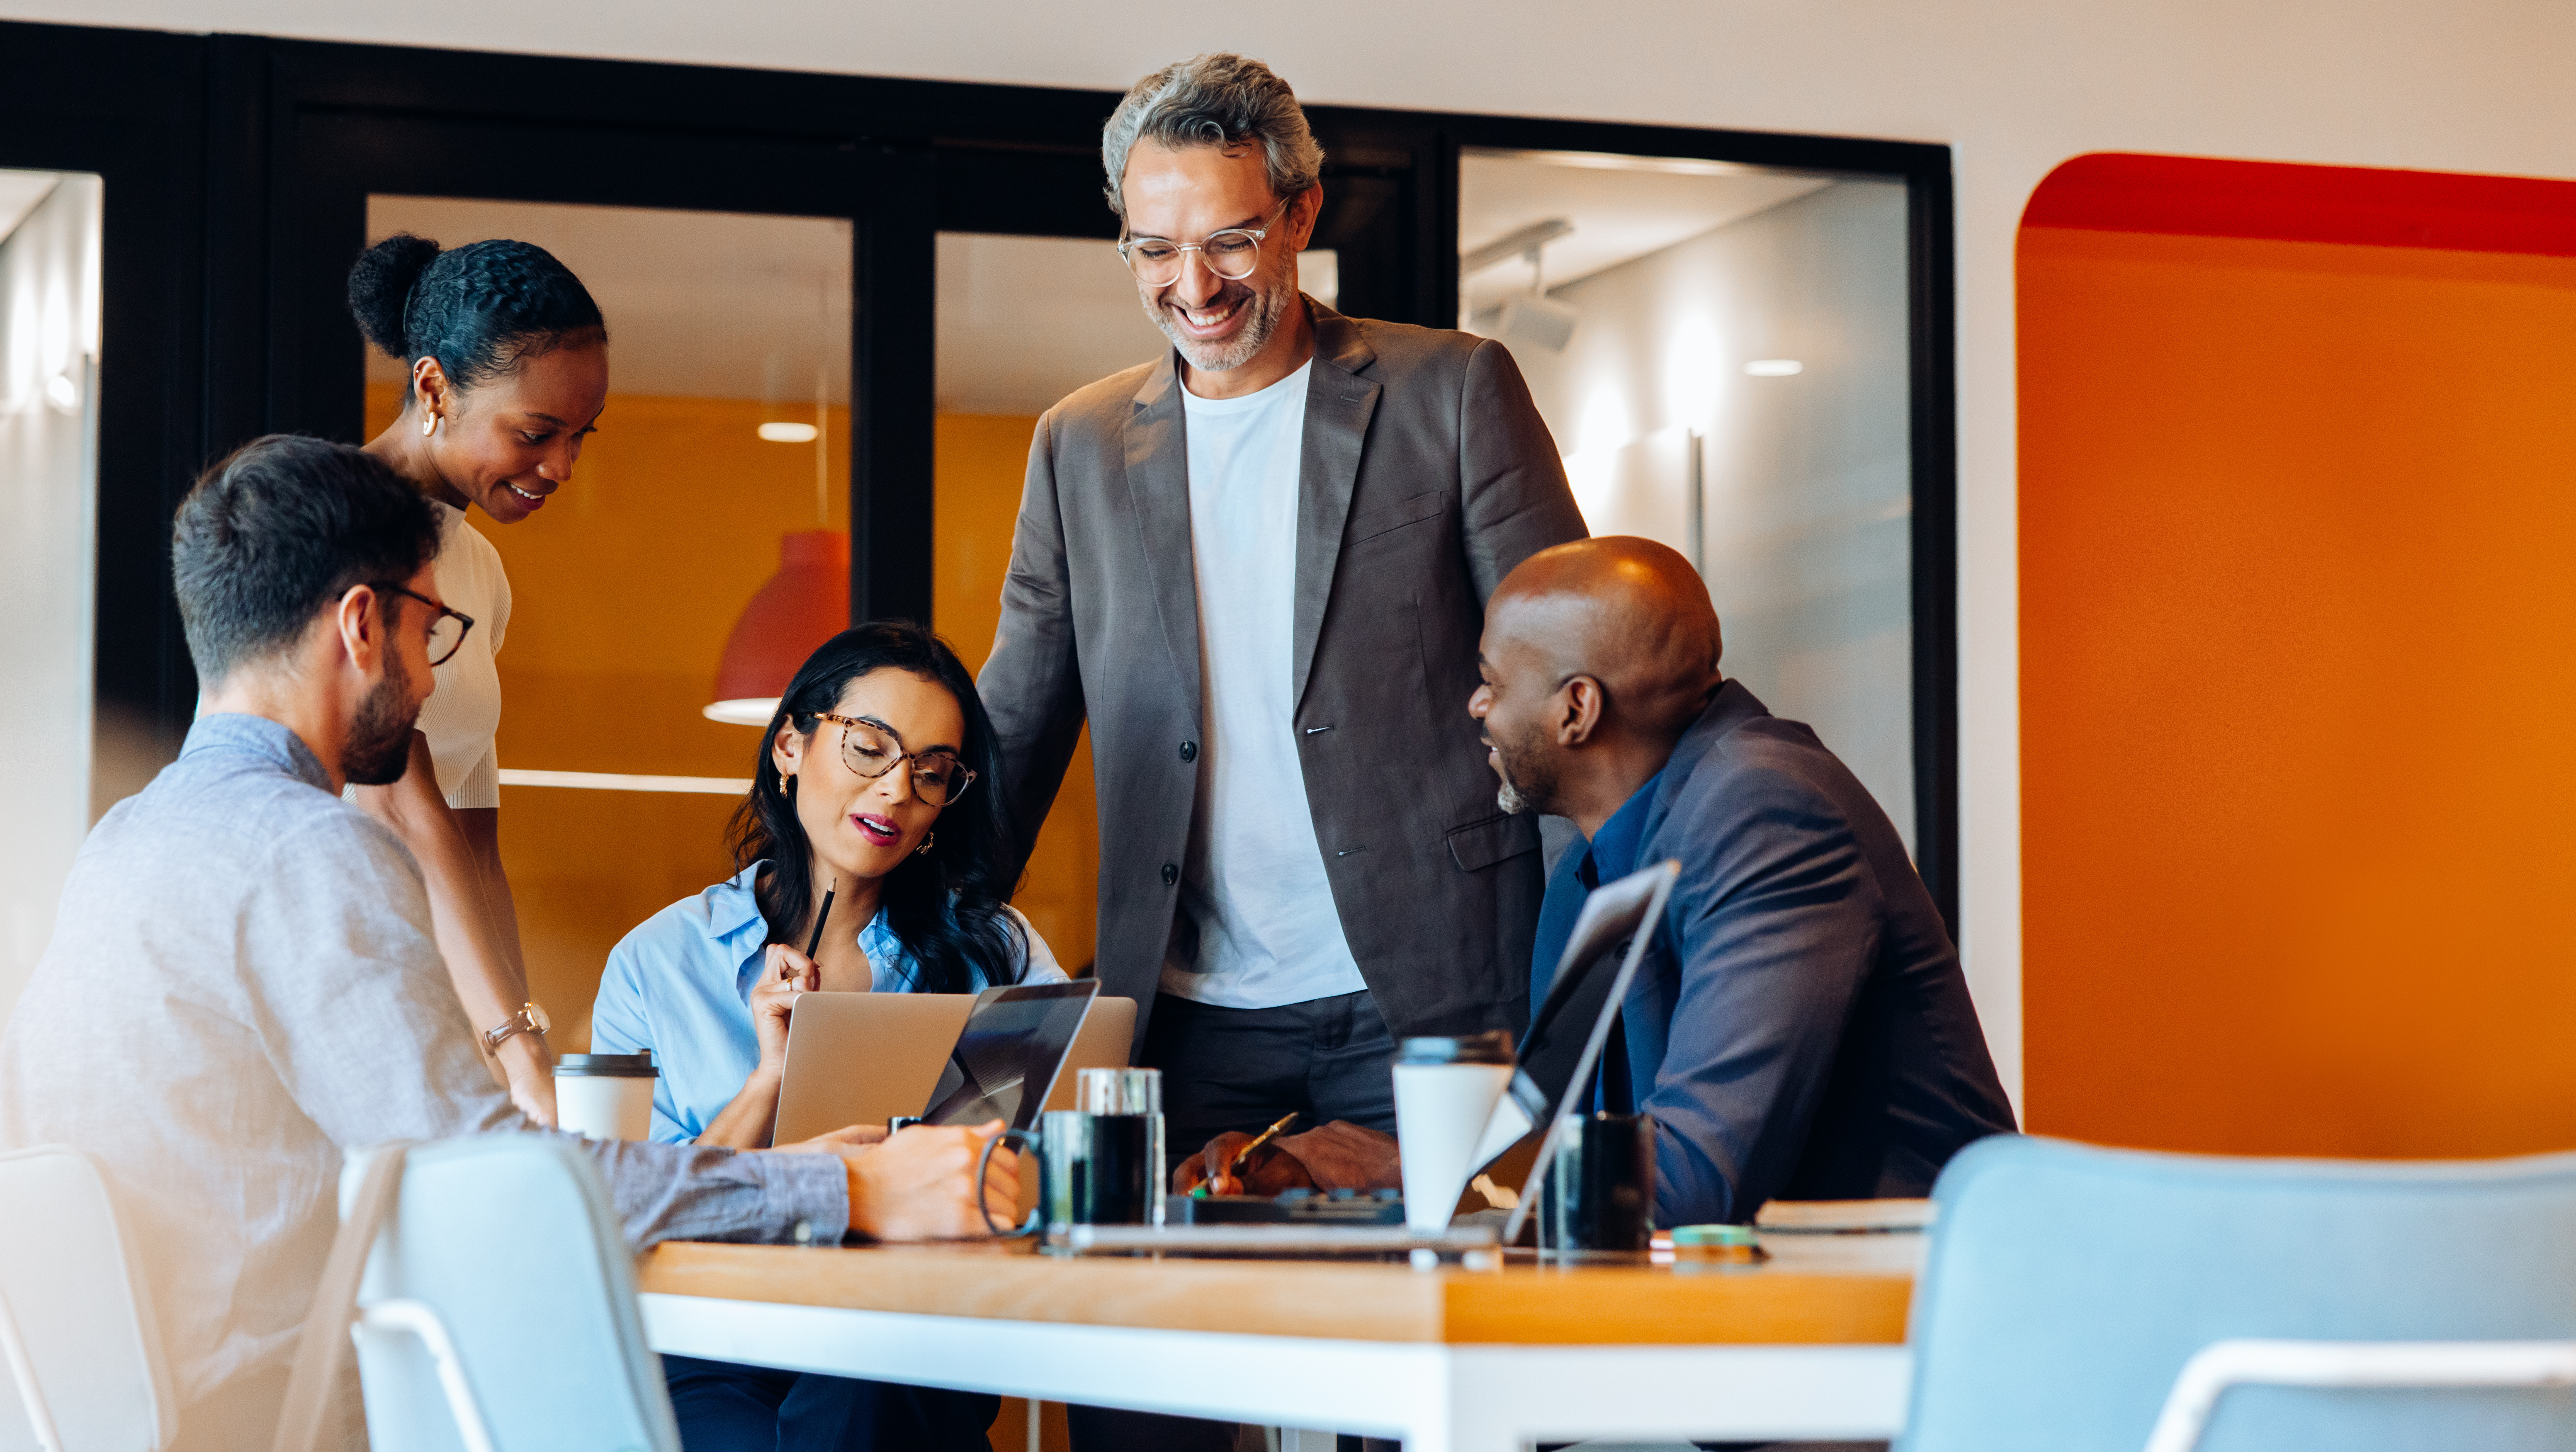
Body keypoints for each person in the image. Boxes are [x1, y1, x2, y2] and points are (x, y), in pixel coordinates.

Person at [0, 435, 1018, 1452]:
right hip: (292, 1415)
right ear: (362, 624)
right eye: (431, 631)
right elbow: (495, 1189)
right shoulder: (309, 849)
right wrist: (846, 1185)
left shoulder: (119, 844)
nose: (435, 684)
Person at [979, 53, 1587, 1168]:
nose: (1194, 287)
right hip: (1187, 1008)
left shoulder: (1450, 393)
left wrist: (1584, 978)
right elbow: (1012, 727)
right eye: (1154, 249)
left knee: (1443, 1306)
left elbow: (1569, 693)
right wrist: (900, 923)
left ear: (1301, 212)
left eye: (1229, 241)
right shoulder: (1080, 444)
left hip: (1433, 987)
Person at [593, 620, 1065, 1452]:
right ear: (789, 745)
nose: (896, 791)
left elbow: (1063, 1151)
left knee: (863, 1393)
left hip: (911, 1334)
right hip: (717, 1342)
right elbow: (637, 1211)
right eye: (870, 746)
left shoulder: (997, 949)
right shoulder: (660, 960)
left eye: (932, 772)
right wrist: (767, 1078)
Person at [1467, 536, 2018, 1226]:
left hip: (1889, 1302)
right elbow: (1555, 1150)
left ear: (1576, 709)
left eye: (1492, 680)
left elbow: (1695, 1177)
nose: (1477, 705)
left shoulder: (1764, 810)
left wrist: (1454, 1184)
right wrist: (1406, 1172)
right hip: (1717, 1296)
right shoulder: (1591, 867)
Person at [344, 231, 608, 1126]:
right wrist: (511, 1040)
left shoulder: (479, 569)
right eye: (535, 433)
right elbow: (396, 795)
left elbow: (474, 834)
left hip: (433, 988)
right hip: (333, 977)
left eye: (579, 437)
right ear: (433, 387)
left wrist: (521, 1032)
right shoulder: (331, 524)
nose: (562, 468)